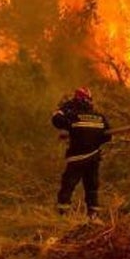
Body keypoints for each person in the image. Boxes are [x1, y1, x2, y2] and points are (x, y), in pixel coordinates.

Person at [51, 86, 111, 218]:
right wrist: (92, 141)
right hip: (94, 158)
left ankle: (63, 214)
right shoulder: (100, 117)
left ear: (76, 101)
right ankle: (93, 215)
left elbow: (56, 119)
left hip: (76, 159)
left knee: (68, 186)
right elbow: (107, 136)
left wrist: (64, 107)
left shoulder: (73, 116)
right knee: (92, 187)